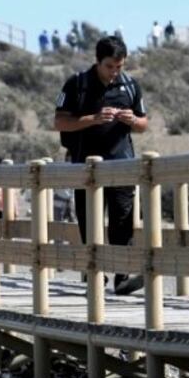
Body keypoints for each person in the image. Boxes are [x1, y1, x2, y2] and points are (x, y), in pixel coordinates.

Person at [54, 35, 148, 296]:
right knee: (90, 222)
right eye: (110, 66)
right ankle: (94, 275)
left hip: (122, 166)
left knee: (123, 220)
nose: (115, 72)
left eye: (119, 66)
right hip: (86, 169)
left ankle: (122, 277)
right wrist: (93, 119)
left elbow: (144, 124)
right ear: (98, 62)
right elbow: (60, 122)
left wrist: (132, 121)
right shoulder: (77, 84)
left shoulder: (130, 85)